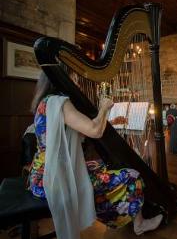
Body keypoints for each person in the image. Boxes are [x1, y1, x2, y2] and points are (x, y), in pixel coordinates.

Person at [28, 73, 163, 237]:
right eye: (73, 77)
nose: (76, 81)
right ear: (61, 78)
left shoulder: (45, 102)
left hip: (40, 176)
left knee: (102, 165)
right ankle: (139, 224)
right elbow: (94, 130)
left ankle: (122, 214)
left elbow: (80, 132)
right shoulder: (61, 102)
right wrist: (105, 107)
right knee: (132, 175)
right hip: (56, 179)